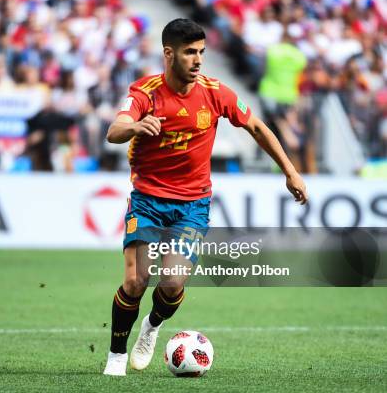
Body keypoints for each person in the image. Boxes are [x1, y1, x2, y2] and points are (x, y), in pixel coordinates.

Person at [102, 19, 308, 376]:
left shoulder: (215, 92)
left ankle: (152, 326)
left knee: (171, 284)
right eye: (189, 53)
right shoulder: (145, 92)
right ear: (169, 54)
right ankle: (116, 357)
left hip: (192, 206)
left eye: (201, 52)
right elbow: (114, 130)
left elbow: (257, 127)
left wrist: (289, 171)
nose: (197, 60)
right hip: (147, 201)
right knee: (136, 281)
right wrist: (136, 126)